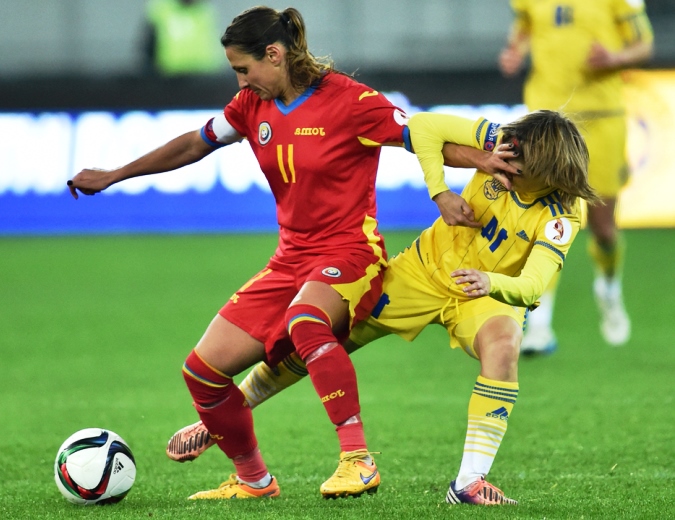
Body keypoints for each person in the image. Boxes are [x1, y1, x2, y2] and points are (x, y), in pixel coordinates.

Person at [68, 5, 518, 501]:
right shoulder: (249, 105)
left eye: (244, 68)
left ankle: (357, 460)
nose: (240, 80)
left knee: (306, 320)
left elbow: (421, 138)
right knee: (202, 372)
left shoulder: (351, 101)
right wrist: (114, 175)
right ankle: (254, 481)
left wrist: (481, 158)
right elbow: (195, 145)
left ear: (275, 55)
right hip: (289, 261)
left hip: (351, 253)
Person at [164, 109, 600, 505]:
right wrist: (440, 191)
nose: (504, 172)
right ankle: (226, 414)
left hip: (483, 293)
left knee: (505, 345)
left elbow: (531, 286)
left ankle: (469, 483)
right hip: (420, 273)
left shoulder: (564, 213)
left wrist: (490, 282)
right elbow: (424, 127)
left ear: (546, 175)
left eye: (516, 172)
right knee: (320, 337)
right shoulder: (502, 141)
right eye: (505, 164)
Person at [498, 0, 654, 354]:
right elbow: (522, 28)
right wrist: (514, 50)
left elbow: (643, 44)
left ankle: (609, 288)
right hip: (546, 120)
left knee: (603, 227)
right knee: (546, 221)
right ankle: (539, 325)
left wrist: (615, 59)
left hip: (601, 119)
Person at [143, 0, 225, 76]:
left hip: (203, 78)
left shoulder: (206, 12)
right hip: (169, 79)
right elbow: (147, 50)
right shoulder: (160, 10)